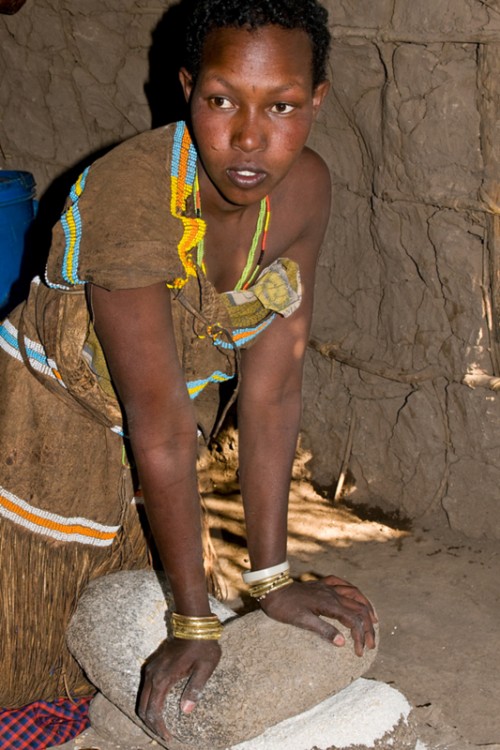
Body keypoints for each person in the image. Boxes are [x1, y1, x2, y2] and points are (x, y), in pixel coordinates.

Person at [0, 0, 377, 742]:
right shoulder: (134, 199)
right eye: (220, 100)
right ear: (185, 88)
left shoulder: (303, 191)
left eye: (283, 106)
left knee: (111, 625)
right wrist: (194, 619)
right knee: (28, 649)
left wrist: (269, 580)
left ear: (317, 101)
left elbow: (272, 390)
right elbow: (163, 432)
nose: (248, 136)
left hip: (138, 435)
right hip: (38, 424)